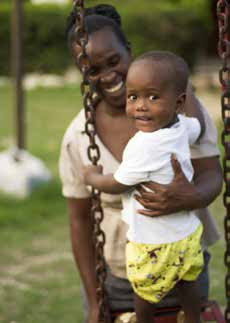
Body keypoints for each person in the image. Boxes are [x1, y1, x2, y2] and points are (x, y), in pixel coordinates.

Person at [59, 4, 222, 323]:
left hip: (184, 258)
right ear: (81, 71)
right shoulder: (78, 137)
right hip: (118, 276)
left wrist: (193, 197)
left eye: (114, 60)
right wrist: (95, 302)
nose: (108, 75)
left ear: (129, 51)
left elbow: (212, 173)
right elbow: (79, 223)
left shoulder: (180, 115)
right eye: (93, 70)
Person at [83, 51, 206, 323]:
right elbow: (198, 125)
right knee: (187, 278)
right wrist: (188, 90)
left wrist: (92, 177)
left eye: (152, 97)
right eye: (133, 96)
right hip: (186, 235)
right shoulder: (180, 126)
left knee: (143, 289)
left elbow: (116, 184)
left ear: (177, 102)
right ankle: (194, 318)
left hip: (152, 241)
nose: (140, 106)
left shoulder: (144, 144)